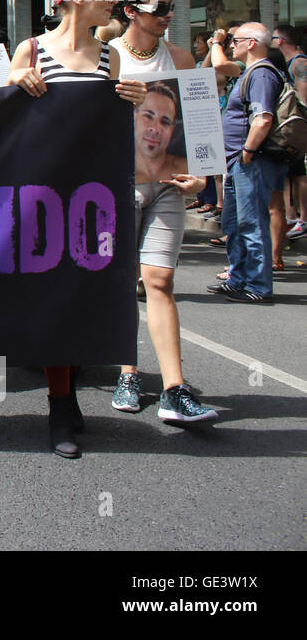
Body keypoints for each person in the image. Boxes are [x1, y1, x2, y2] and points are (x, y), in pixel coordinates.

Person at [7, 0, 146, 458]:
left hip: (92, 202)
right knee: (51, 298)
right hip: (41, 198)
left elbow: (108, 131)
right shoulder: (31, 50)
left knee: (84, 294)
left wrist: (129, 100)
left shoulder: (110, 56)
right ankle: (60, 403)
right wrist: (12, 82)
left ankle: (66, 390)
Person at [110, 82, 217, 421]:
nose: (155, 128)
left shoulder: (181, 58)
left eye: (166, 121)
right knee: (125, 279)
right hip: (123, 186)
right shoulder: (114, 60)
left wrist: (201, 181)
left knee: (160, 281)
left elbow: (205, 133)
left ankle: (174, 389)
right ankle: (128, 374)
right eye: (148, 116)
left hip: (169, 189)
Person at [209, 23, 287, 304]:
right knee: (234, 223)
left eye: (235, 40)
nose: (231, 44)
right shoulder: (249, 72)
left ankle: (258, 285)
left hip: (251, 161)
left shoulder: (262, 74)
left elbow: (263, 118)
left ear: (251, 43)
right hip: (238, 162)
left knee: (252, 223)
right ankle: (238, 279)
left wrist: (247, 151)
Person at [108, 0, 196, 75]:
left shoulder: (181, 59)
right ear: (131, 11)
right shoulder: (104, 58)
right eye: (160, 7)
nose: (170, 14)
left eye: (171, 7)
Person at [271, 26, 306, 241]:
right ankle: (291, 215)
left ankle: (304, 220)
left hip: (298, 125)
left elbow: (303, 97)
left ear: (281, 40)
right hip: (287, 127)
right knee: (287, 173)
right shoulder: (286, 63)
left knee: (300, 174)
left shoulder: (300, 62)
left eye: (273, 38)